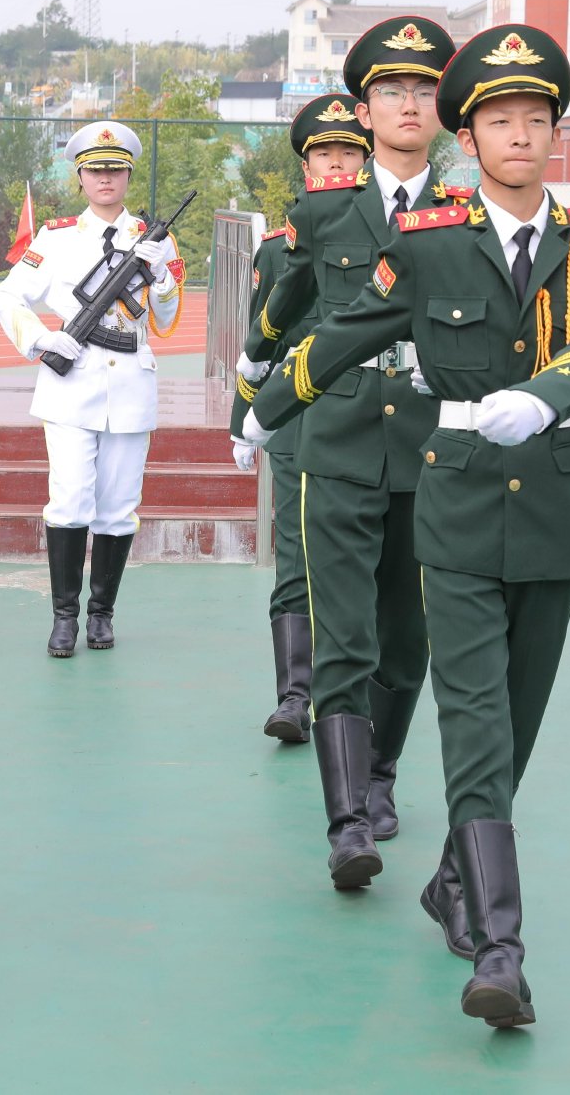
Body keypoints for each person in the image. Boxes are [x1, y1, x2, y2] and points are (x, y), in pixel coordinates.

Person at [241, 23, 570, 1028]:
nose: (516, 133)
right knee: (471, 717)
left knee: (517, 716)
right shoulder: (428, 246)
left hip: (549, 501)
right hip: (450, 494)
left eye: (532, 118)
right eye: (497, 118)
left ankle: (454, 877)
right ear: (473, 132)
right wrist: (264, 405)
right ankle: (498, 947)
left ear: (553, 134)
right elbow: (341, 334)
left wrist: (543, 398)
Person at [240, 16, 458, 889]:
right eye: (390, 92)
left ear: (444, 110)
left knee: (407, 641)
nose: (408, 104)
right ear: (364, 114)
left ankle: (381, 775)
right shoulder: (325, 214)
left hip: (432, 448)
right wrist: (258, 394)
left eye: (423, 90)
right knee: (345, 636)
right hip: (333, 442)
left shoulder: (467, 219)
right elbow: (277, 321)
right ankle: (346, 823)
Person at [0, 121, 182, 658]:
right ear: (79, 177)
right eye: (95, 170)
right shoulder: (53, 239)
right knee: (70, 500)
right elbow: (9, 299)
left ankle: (103, 615)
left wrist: (162, 275)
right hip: (70, 381)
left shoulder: (152, 239)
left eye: (115, 169)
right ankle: (65, 616)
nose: (105, 178)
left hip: (129, 383)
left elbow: (165, 320)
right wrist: (43, 340)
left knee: (118, 507)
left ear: (127, 175)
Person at [228, 93, 370, 744]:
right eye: (324, 154)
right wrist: (243, 420)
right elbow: (260, 343)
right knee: (296, 559)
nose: (336, 164)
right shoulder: (277, 252)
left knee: (366, 564)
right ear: (306, 165)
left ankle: (356, 700)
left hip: (370, 421)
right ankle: (293, 694)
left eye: (348, 152)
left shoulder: (400, 239)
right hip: (294, 421)